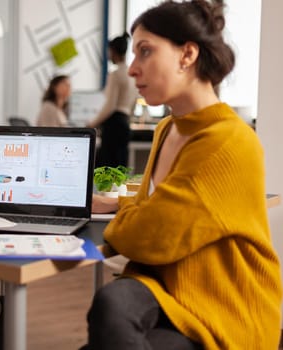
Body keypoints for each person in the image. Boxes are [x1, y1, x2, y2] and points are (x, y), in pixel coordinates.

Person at [83, 1, 282, 349]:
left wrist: (126, 215)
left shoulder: (228, 141)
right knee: (111, 304)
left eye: (145, 52)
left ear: (187, 54)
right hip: (170, 288)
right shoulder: (167, 129)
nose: (132, 69)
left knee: (108, 319)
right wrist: (119, 201)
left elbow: (151, 235)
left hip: (222, 305)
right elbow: (169, 203)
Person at [87, 33, 138, 168]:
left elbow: (110, 105)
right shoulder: (133, 74)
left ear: (113, 51)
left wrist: (92, 124)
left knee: (106, 167)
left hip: (113, 124)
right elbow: (133, 104)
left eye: (109, 51)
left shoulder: (115, 74)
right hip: (125, 124)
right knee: (119, 166)